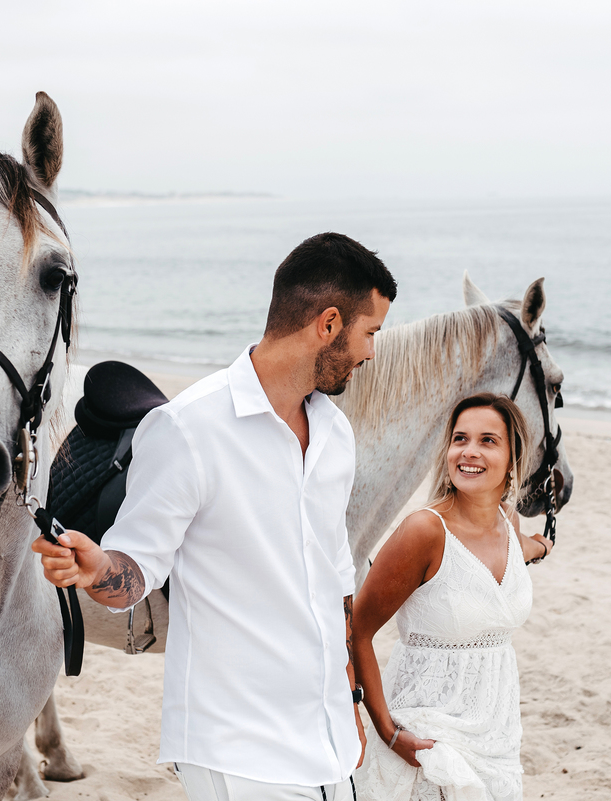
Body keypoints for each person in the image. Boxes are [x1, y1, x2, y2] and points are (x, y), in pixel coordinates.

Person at [32, 232, 398, 800]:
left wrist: (349, 702)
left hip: (330, 746)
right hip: (235, 749)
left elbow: (336, 587)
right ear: (328, 324)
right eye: (369, 332)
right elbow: (136, 571)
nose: (372, 351)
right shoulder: (188, 429)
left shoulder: (336, 433)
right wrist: (98, 567)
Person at [351, 393, 554, 801]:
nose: (469, 452)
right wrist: (388, 733)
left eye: (488, 441)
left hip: (497, 737)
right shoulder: (424, 532)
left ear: (514, 457)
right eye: (460, 439)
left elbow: (521, 547)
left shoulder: (507, 521)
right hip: (427, 737)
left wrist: (542, 546)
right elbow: (356, 630)